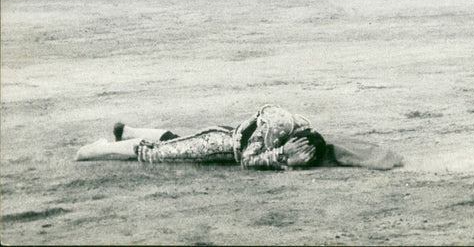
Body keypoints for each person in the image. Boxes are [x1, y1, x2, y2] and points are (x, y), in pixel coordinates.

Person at [76, 103, 402, 170]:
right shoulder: (280, 128)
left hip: (224, 138)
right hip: (219, 145)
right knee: (156, 153)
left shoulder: (298, 126)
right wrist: (281, 157)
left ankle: (126, 133)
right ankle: (95, 150)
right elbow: (247, 160)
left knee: (174, 139)